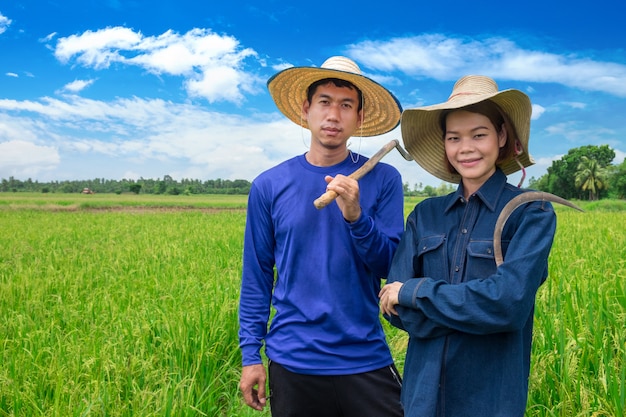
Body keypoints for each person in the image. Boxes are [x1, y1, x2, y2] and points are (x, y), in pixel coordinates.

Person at [379, 75, 557, 417]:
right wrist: (477, 310)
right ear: (444, 144)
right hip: (421, 401)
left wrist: (415, 292)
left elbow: (509, 305)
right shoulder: (424, 215)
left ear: (502, 136)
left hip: (490, 402)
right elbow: (399, 314)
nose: (466, 148)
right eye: (454, 137)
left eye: (479, 134)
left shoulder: (531, 212)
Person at [238, 56, 405, 417]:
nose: (334, 115)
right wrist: (251, 355)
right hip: (293, 359)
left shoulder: (384, 179)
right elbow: (257, 276)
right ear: (306, 109)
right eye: (325, 102)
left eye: (346, 105)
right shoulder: (269, 186)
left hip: (363, 353)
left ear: (359, 118)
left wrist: (357, 217)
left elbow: (391, 265)